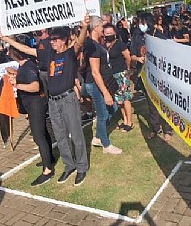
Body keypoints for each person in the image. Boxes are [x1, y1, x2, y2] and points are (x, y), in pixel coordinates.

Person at [47, 15, 91, 186]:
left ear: (64, 40)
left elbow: (79, 42)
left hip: (67, 99)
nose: (52, 42)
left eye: (55, 39)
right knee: (60, 135)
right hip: (53, 101)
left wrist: (84, 26)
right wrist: (7, 40)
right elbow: (30, 50)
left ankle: (81, 167)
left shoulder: (69, 54)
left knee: (76, 134)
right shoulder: (50, 54)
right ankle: (69, 165)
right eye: (51, 39)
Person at [4, 46, 56, 185]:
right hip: (32, 104)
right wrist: (14, 74)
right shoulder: (24, 66)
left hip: (36, 105)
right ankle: (49, 158)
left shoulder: (28, 66)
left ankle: (48, 170)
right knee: (43, 133)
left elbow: (35, 86)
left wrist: (16, 85)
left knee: (38, 136)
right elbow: (26, 77)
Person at [82, 16, 122, 154]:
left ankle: (98, 137)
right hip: (95, 84)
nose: (102, 29)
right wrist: (105, 93)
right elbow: (94, 72)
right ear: (95, 27)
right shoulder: (91, 46)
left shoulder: (96, 43)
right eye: (101, 27)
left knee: (113, 108)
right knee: (103, 114)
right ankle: (106, 144)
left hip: (103, 81)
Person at [131, 12, 174, 141]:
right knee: (151, 103)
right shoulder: (137, 36)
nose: (140, 25)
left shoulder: (158, 36)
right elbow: (132, 54)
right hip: (145, 75)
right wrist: (138, 58)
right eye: (139, 22)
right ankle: (156, 128)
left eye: (142, 22)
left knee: (163, 102)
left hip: (159, 76)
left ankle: (167, 129)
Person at [102, 23, 135, 132]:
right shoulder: (103, 45)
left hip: (121, 73)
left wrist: (127, 70)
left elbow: (127, 57)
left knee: (125, 98)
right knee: (118, 99)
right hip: (111, 75)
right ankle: (124, 119)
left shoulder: (119, 44)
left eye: (111, 33)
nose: (109, 35)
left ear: (115, 33)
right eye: (107, 33)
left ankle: (130, 122)